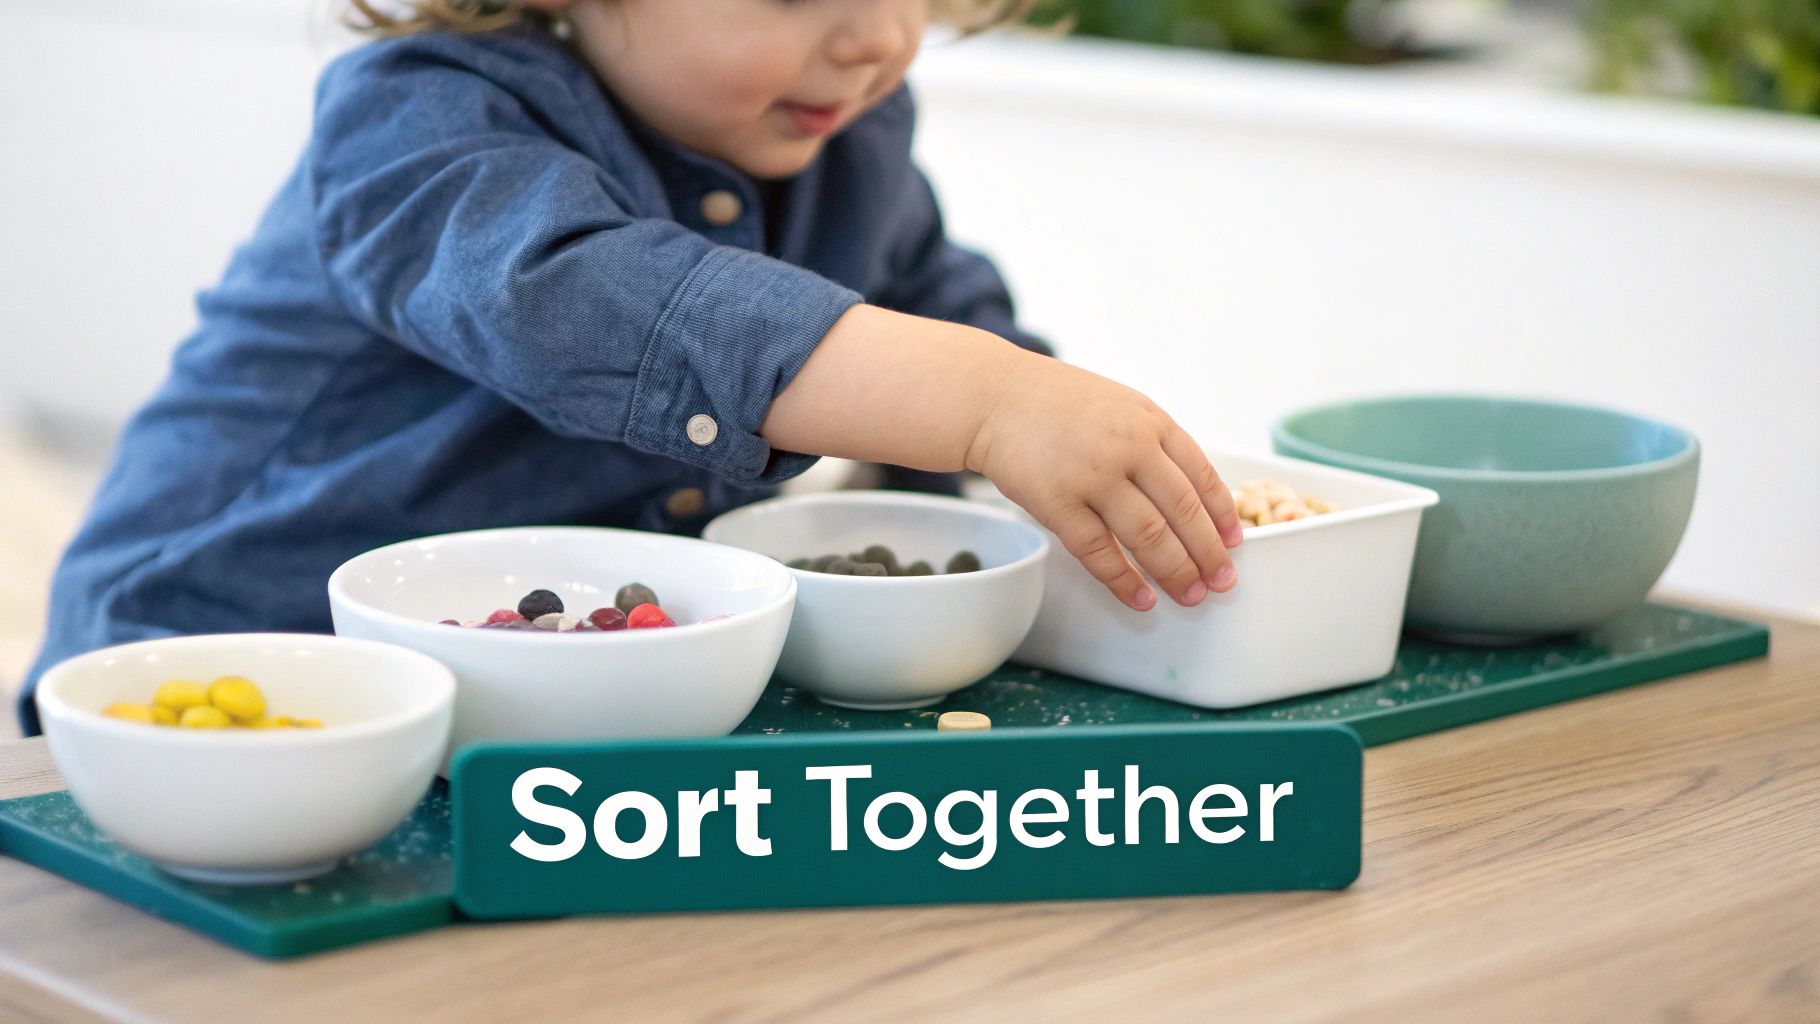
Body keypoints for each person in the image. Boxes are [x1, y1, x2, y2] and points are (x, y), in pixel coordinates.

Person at [16, 0, 1243, 736]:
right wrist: (985, 404)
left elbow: (935, 298)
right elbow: (583, 298)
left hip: (546, 694)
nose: (875, 38)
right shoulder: (419, 118)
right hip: (220, 673)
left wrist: (1051, 456)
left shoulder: (849, 135)